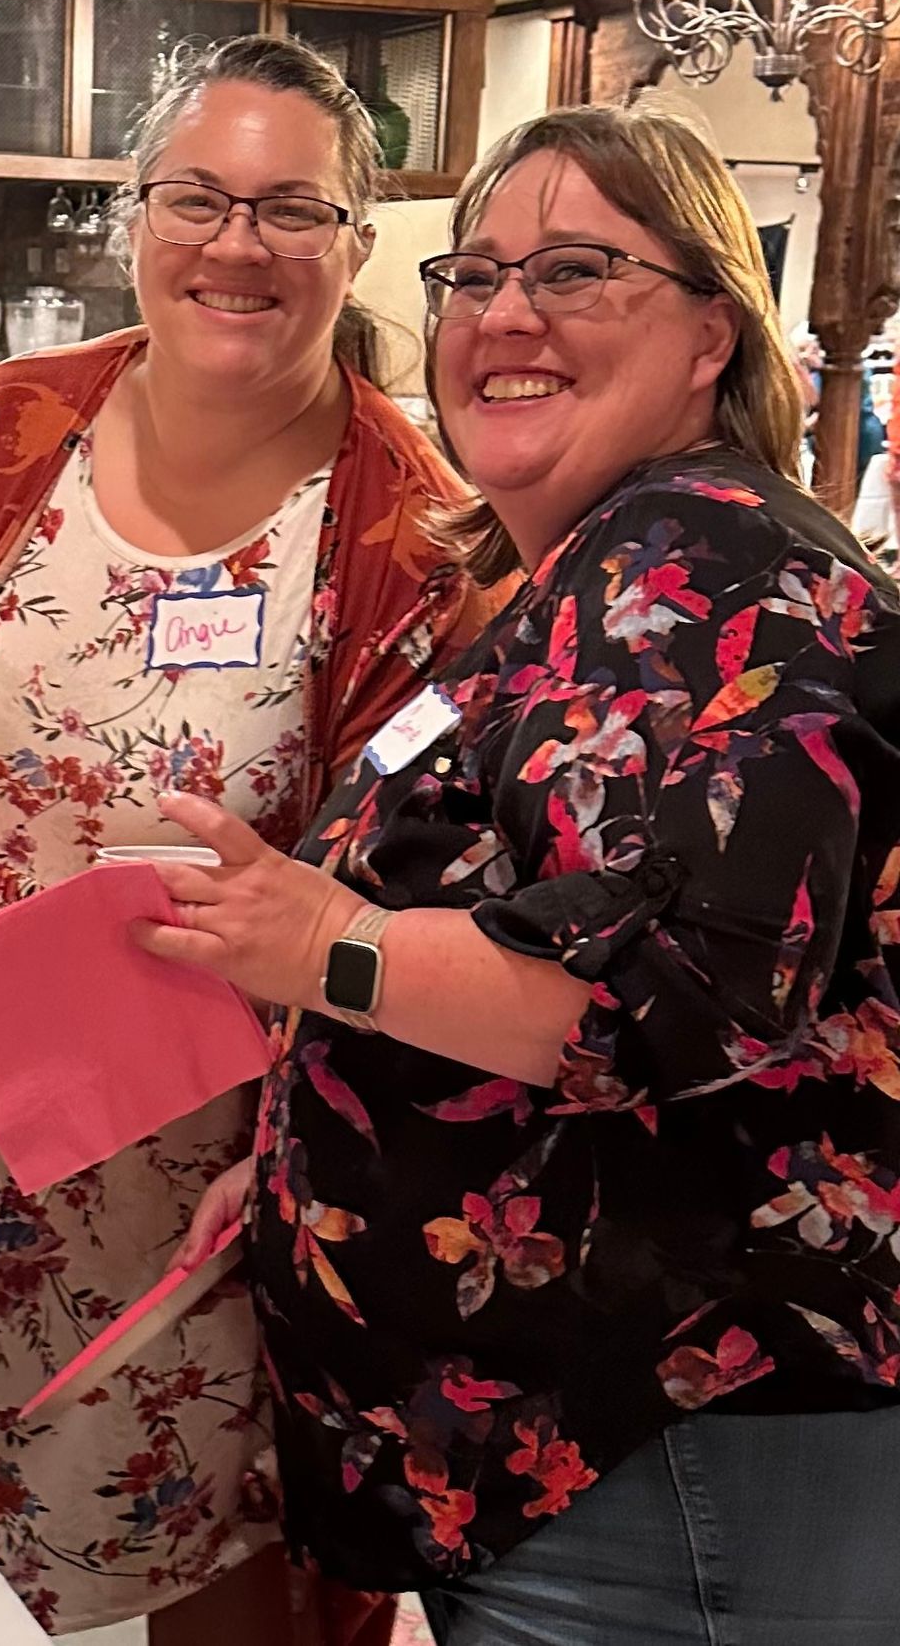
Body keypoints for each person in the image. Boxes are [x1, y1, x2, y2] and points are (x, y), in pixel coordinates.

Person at [148, 103, 900, 1644]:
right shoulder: (580, 565)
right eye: (473, 273)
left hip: (676, 1441)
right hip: (580, 1446)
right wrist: (306, 1145)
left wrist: (320, 945)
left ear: (711, 330)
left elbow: (669, 998)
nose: (504, 314)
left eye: (575, 270)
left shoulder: (716, 565)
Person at [0, 35, 504, 1641]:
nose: (236, 245)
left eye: (291, 210)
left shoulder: (416, 531)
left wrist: (298, 1122)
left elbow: (427, 887)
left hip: (231, 1161)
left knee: (217, 1571)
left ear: (357, 240)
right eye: (200, 197)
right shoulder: (2, 427)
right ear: (134, 215)